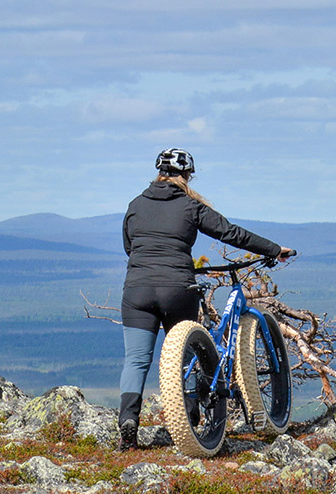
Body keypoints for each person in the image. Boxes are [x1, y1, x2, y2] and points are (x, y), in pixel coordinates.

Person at [118, 147, 293, 451]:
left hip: (137, 291)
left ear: (158, 173)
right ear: (187, 176)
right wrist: (272, 249)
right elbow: (231, 233)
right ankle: (188, 418)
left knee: (136, 360)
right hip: (177, 289)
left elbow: (129, 246)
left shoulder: (135, 205)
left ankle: (127, 425)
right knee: (184, 356)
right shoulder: (190, 206)